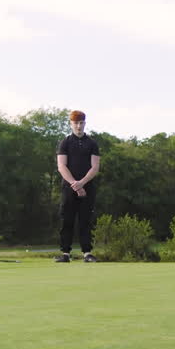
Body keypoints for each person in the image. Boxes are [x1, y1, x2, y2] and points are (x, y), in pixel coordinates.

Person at [55, 110, 101, 262]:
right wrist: (75, 185)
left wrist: (82, 183)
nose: (79, 126)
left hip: (88, 187)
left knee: (85, 220)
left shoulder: (92, 143)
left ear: (85, 123)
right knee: (67, 219)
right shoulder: (65, 142)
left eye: (81, 123)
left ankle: (87, 253)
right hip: (69, 187)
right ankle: (65, 253)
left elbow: (95, 167)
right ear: (71, 124)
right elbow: (61, 166)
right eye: (76, 123)